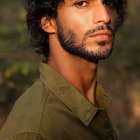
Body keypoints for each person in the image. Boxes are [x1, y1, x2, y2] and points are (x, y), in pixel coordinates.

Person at [0, 0, 127, 139]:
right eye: (82, 3)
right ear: (47, 22)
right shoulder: (35, 132)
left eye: (109, 2)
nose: (105, 16)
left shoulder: (94, 102)